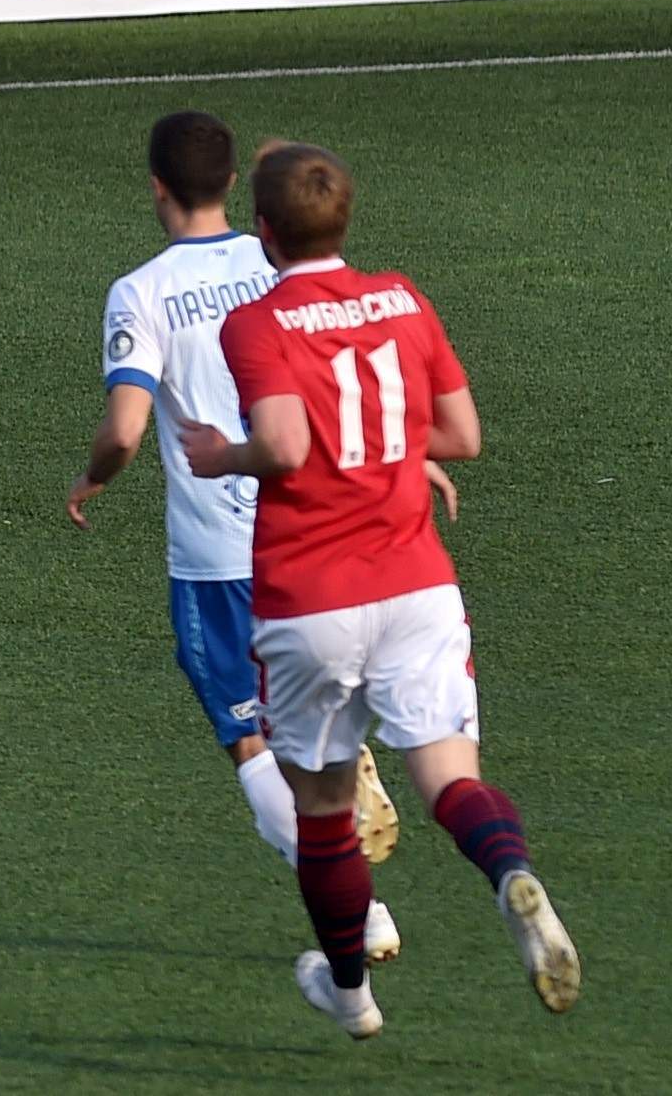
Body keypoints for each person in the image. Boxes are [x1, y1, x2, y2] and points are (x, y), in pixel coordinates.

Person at [175, 142, 579, 1042]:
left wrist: (219, 455)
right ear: (344, 221)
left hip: (310, 598)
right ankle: (511, 870)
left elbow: (280, 444)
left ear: (266, 232)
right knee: (446, 777)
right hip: (415, 585)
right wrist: (398, 457)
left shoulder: (257, 321)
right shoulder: (405, 296)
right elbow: (462, 433)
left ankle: (352, 994)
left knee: (323, 807)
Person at [72, 113, 406, 923]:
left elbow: (125, 427)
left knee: (247, 738)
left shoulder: (141, 291)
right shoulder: (277, 256)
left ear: (155, 185)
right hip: (314, 527)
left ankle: (358, 911)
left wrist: (89, 480)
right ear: (231, 185)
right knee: (304, 704)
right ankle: (337, 753)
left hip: (218, 553)